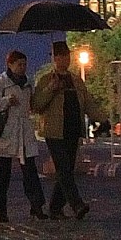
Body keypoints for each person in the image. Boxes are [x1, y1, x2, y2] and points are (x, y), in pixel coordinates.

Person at [31, 41, 101, 221]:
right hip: (54, 131)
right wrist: (51, 89)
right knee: (63, 169)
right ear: (55, 58)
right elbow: (36, 105)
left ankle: (55, 207)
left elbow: (88, 103)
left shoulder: (76, 80)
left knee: (67, 169)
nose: (65, 59)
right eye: (60, 55)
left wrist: (102, 119)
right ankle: (77, 204)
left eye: (67, 55)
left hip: (73, 130)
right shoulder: (46, 80)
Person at [0, 49, 49, 224]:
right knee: (1, 174)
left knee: (30, 171)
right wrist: (7, 101)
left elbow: (33, 104)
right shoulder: (1, 82)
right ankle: (0, 210)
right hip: (6, 130)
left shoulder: (28, 83)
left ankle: (37, 206)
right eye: (19, 64)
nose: (22, 68)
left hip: (24, 131)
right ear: (10, 65)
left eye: (24, 64)